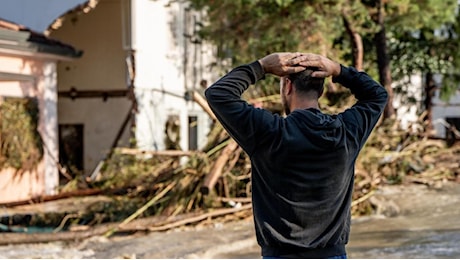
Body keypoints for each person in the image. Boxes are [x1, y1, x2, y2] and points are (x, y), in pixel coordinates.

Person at [205, 52, 388, 259]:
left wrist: (262, 66)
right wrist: (338, 70)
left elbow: (218, 94)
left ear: (288, 87)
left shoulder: (269, 133)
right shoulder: (345, 133)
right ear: (321, 91)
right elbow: (377, 95)